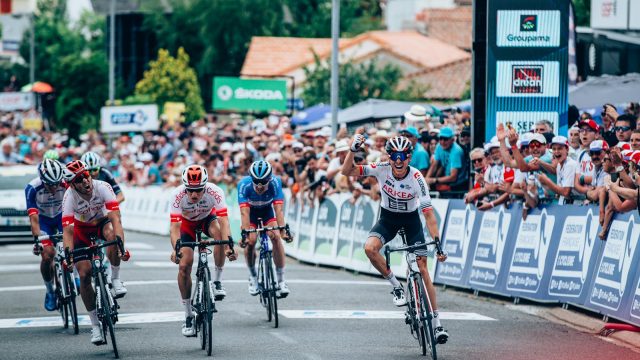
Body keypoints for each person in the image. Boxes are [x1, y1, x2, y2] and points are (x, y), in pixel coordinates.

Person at [341, 134, 449, 344]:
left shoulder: (417, 177)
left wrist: (437, 244)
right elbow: (347, 171)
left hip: (411, 221)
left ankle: (437, 324)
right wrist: (352, 151)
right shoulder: (381, 168)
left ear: (409, 157)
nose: (398, 160)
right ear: (388, 156)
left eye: (403, 155)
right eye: (394, 155)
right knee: (370, 248)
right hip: (388, 219)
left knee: (422, 267)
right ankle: (396, 286)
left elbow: (428, 215)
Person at [61, 160, 128, 345]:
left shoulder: (103, 187)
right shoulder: (69, 197)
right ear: (72, 184)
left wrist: (121, 245)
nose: (86, 181)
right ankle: (95, 326)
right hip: (80, 231)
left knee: (112, 235)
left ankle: (115, 278)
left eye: (86, 175)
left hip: (101, 224)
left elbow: (116, 219)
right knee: (84, 274)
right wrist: (69, 256)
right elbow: (67, 231)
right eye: (79, 179)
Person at [169, 164, 236, 337]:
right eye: (190, 190)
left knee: (219, 236)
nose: (194, 194)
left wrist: (229, 246)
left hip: (207, 220)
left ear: (205, 186)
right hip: (186, 226)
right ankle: (188, 314)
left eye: (198, 190)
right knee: (185, 265)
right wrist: (176, 248)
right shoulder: (176, 195)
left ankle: (217, 282)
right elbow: (174, 227)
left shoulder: (215, 191)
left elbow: (224, 221)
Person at [237, 160, 293, 298]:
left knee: (275, 237)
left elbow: (278, 210)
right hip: (251, 215)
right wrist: (244, 235)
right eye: (256, 181)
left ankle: (280, 280)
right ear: (251, 178)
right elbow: (244, 213)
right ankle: (253, 277)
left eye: (264, 181)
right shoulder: (243, 185)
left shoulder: (275, 182)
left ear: (270, 178)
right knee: (251, 241)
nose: (260, 186)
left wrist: (283, 231)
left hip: (268, 213)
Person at [25, 159, 67, 311]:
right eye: (50, 184)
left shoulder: (66, 183)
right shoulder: (32, 188)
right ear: (42, 180)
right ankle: (50, 291)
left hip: (62, 216)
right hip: (44, 221)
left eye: (57, 183)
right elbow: (34, 219)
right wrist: (38, 241)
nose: (55, 188)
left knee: (73, 245)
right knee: (47, 254)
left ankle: (74, 277)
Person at [425, 127, 467, 192]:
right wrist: (426, 180)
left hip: (458, 185)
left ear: (452, 140)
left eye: (445, 139)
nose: (442, 141)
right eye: (441, 138)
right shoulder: (439, 146)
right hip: (447, 181)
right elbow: (434, 165)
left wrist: (434, 180)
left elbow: (453, 177)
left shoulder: (456, 151)